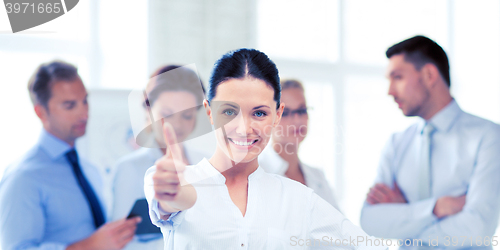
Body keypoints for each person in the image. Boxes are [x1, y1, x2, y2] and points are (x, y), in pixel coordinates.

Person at [143, 49, 385, 249]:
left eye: (259, 113)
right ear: (209, 112)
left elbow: (365, 245)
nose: (244, 128)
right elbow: (174, 201)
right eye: (229, 111)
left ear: (277, 115)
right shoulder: (174, 180)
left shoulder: (298, 199)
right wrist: (173, 193)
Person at [360, 36, 500, 248]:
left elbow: (477, 228)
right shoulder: (396, 144)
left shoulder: (488, 136)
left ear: (429, 74)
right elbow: (370, 221)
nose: (389, 91)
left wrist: (406, 214)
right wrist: (435, 208)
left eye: (397, 77)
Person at [0, 61, 141, 250]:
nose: (84, 113)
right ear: (41, 112)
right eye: (69, 105)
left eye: (85, 101)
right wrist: (85, 247)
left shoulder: (88, 169)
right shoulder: (23, 177)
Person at [111, 65, 209, 250]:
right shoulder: (129, 169)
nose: (177, 125)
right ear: (149, 110)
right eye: (167, 114)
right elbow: (120, 243)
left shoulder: (207, 164)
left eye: (187, 116)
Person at [258, 79, 339, 209]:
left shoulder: (318, 177)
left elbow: (339, 226)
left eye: (301, 111)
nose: (297, 119)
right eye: (285, 113)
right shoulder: (254, 175)